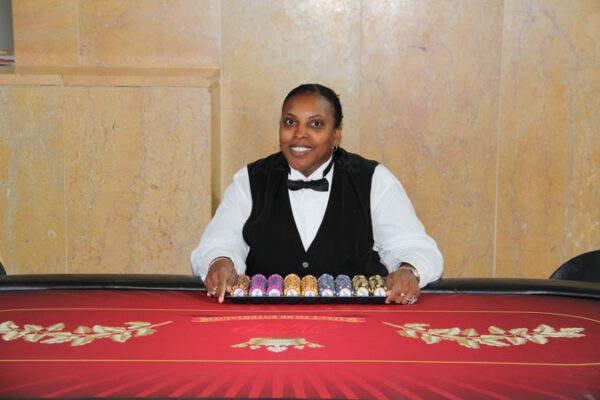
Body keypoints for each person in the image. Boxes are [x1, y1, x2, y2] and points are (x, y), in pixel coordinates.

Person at [191, 83, 443, 304]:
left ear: (336, 134)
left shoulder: (374, 180)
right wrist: (220, 262)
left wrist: (409, 270)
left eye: (316, 124)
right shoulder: (250, 180)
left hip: (357, 326)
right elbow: (219, 242)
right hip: (267, 325)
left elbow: (414, 246)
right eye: (290, 122)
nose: (299, 134)